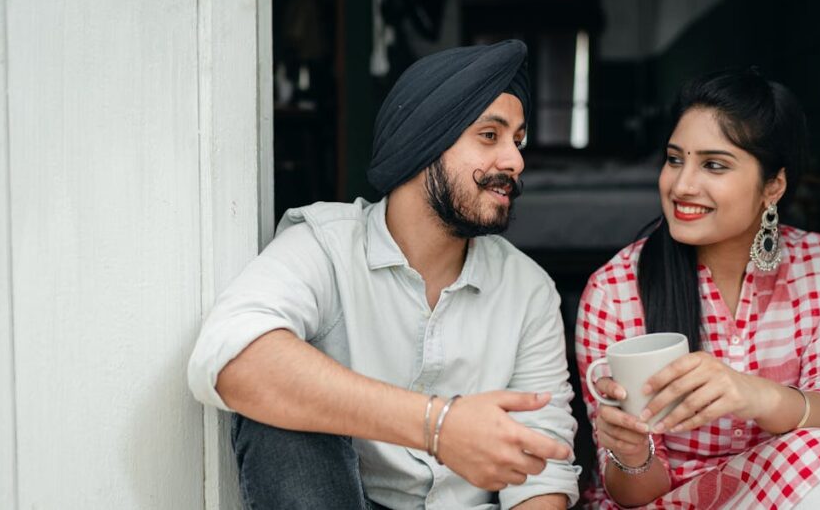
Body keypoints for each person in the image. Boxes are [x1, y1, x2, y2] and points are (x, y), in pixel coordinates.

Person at [188, 39, 580, 510]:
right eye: (490, 136)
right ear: (424, 142)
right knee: (278, 415)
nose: (515, 161)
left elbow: (541, 476)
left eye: (518, 140)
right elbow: (232, 356)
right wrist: (438, 426)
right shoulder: (325, 247)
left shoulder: (528, 289)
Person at [575, 68, 820, 509]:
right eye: (674, 159)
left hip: (791, 490)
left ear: (773, 187)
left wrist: (753, 394)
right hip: (665, 503)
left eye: (714, 165)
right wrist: (631, 455)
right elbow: (633, 495)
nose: (682, 185)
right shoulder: (615, 290)